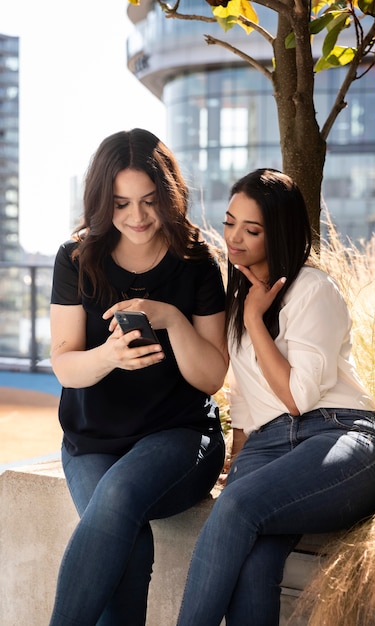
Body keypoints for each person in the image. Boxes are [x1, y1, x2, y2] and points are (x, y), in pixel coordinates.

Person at [176, 168, 375, 626]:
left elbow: (297, 398)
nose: (233, 238)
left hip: (339, 434)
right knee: (255, 563)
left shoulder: (313, 290)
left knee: (237, 508)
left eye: (251, 230)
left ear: (279, 234)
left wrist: (256, 322)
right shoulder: (236, 301)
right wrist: (236, 460)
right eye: (230, 221)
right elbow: (249, 399)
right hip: (268, 444)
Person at [48, 128, 228, 626]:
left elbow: (211, 377)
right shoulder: (77, 258)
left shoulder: (197, 262)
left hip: (179, 437)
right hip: (92, 441)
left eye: (150, 201)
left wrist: (171, 318)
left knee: (120, 497)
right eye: (122, 204)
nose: (137, 217)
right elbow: (64, 362)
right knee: (126, 536)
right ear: (103, 202)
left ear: (169, 196)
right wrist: (108, 356)